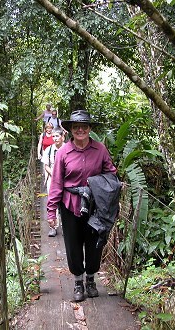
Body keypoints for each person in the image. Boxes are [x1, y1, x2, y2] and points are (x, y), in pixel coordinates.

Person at [47, 110, 117, 302]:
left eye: (84, 126)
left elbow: (111, 172)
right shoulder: (63, 152)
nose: (80, 130)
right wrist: (51, 211)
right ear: (70, 130)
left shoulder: (100, 149)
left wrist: (113, 188)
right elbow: (56, 183)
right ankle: (78, 282)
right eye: (76, 126)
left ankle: (91, 280)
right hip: (70, 205)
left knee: (94, 243)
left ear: (89, 129)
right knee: (73, 244)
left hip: (95, 206)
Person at [41, 126, 65, 237]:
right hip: (52, 180)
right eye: (53, 136)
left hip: (66, 181)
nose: (55, 138)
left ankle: (66, 226)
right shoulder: (48, 150)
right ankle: (53, 227)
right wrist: (56, 176)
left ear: (62, 137)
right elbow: (46, 166)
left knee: (65, 203)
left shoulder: (68, 149)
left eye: (57, 136)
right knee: (52, 201)